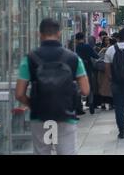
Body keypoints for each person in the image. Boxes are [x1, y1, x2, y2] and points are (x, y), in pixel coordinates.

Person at [15, 19, 90, 155]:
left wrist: (33, 104)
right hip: (66, 115)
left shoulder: (30, 58)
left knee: (42, 151)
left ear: (40, 34)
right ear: (59, 33)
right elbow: (85, 90)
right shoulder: (73, 58)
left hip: (40, 116)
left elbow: (19, 93)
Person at [75, 33, 100, 114]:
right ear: (84, 38)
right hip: (88, 68)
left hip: (78, 69)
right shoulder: (87, 46)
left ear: (76, 39)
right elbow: (95, 56)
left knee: (78, 88)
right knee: (90, 87)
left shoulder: (76, 48)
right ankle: (91, 105)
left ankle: (79, 107)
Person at [97, 36, 115, 110]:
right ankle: (108, 104)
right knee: (108, 88)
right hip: (109, 71)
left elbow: (98, 58)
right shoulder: (113, 50)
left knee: (104, 88)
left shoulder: (104, 50)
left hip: (104, 71)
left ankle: (104, 103)